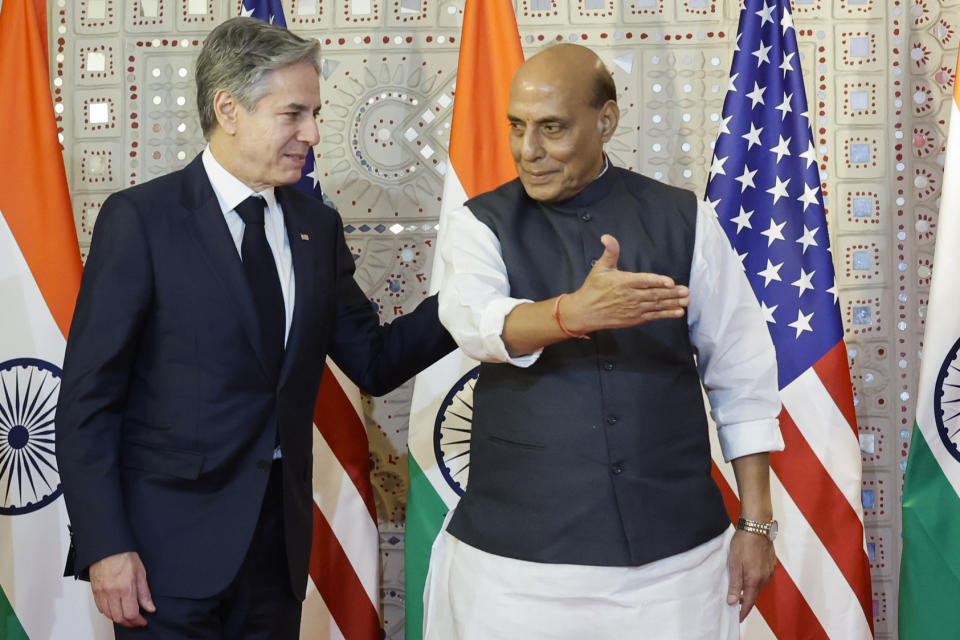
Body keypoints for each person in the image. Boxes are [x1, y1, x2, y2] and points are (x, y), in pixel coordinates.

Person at [55, 16, 454, 639]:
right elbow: (87, 402)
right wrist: (106, 546)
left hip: (277, 556)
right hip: (163, 561)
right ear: (229, 108)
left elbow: (374, 360)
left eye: (315, 113)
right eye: (294, 114)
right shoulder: (142, 221)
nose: (314, 134)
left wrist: (473, 300)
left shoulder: (315, 226)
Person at [427, 43, 784, 639]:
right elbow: (477, 324)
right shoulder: (479, 221)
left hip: (675, 569)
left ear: (606, 122)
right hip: (512, 574)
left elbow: (741, 372)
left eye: (552, 128)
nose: (528, 151)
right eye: (517, 127)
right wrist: (574, 313)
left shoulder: (684, 219)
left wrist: (757, 522)